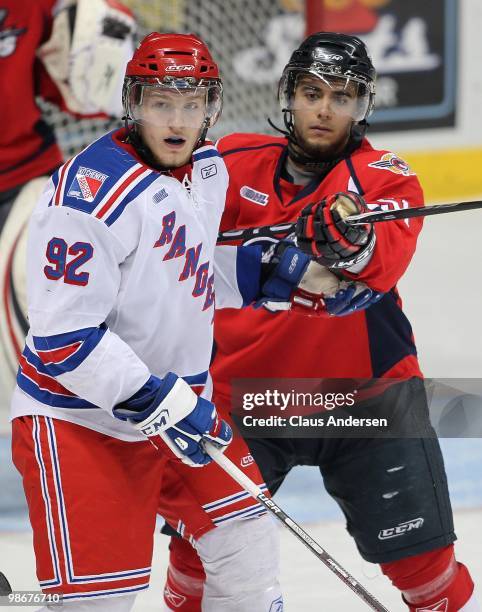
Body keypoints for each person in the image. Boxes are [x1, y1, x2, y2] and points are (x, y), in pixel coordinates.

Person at [10, 31, 381, 612]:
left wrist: (288, 276)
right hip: (80, 427)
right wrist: (160, 399)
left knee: (248, 543)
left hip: (180, 409)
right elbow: (63, 338)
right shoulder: (86, 197)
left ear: (212, 109)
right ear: (133, 104)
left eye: (192, 105)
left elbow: (189, 268)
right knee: (101, 604)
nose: (177, 121)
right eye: (162, 103)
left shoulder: (207, 168)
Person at [162, 33, 479, 612]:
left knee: (426, 573)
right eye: (312, 92)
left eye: (343, 95)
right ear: (289, 96)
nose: (325, 108)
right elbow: (171, 243)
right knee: (198, 562)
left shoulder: (385, 175)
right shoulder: (226, 164)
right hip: (245, 398)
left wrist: (350, 242)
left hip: (367, 398)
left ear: (364, 106)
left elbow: (379, 256)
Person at [0, 0, 136, 404]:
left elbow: (75, 92)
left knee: (45, 293)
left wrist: (98, 50)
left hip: (26, 174)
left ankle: (69, 428)